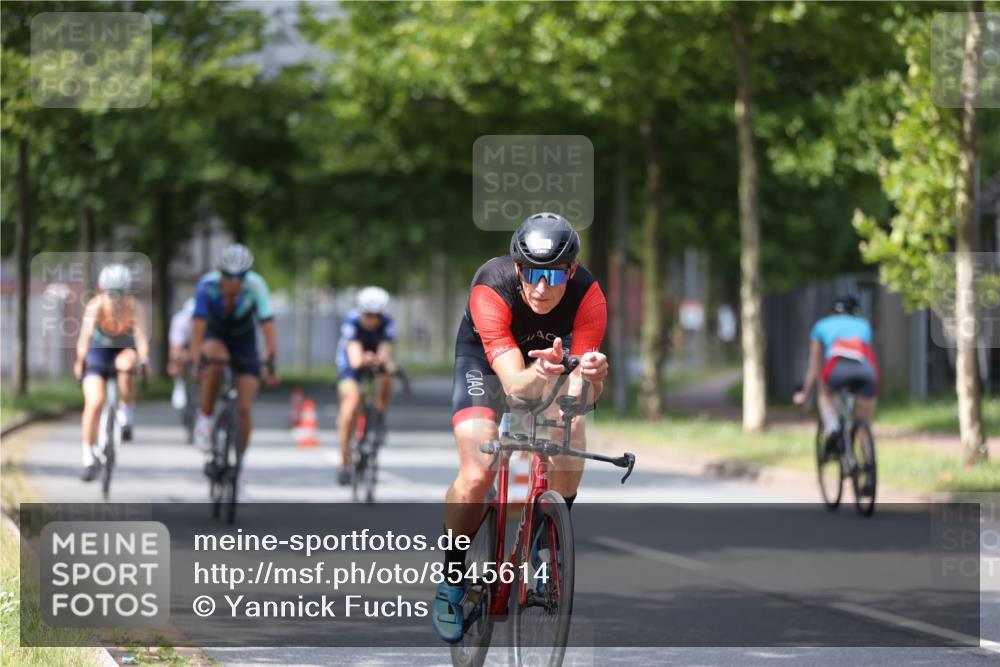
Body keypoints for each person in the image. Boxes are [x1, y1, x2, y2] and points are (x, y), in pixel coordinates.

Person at [431, 212, 609, 643]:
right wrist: (542, 370)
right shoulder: (490, 288)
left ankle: (548, 544)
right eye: (532, 273)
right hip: (487, 366)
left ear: (571, 270)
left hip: (550, 363)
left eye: (553, 274)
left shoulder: (589, 298)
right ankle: (453, 573)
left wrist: (594, 379)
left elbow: (581, 396)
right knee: (476, 474)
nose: (542, 287)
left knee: (573, 426)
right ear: (517, 268)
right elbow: (514, 387)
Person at [189, 244, 279, 474]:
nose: (235, 282)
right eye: (229, 276)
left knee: (244, 409)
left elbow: (268, 327)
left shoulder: (256, 286)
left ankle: (240, 464)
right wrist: (196, 359)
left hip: (243, 339)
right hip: (215, 335)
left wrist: (270, 360)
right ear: (220, 273)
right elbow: (198, 327)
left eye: (240, 277)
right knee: (217, 359)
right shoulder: (207, 286)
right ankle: (206, 418)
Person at [73, 263, 150, 482]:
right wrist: (80, 360)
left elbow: (142, 337)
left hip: (123, 350)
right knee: (95, 402)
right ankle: (89, 456)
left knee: (127, 365)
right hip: (98, 352)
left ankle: (125, 413)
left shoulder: (134, 307)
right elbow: (85, 337)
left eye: (121, 292)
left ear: (127, 291)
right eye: (111, 292)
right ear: (102, 290)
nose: (116, 298)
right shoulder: (95, 306)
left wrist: (144, 358)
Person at [793, 295, 879, 445]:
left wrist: (805, 394)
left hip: (837, 365)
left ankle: (833, 431)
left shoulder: (821, 325)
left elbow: (815, 366)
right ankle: (868, 457)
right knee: (865, 422)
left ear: (833, 312)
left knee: (824, 393)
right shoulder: (864, 325)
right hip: (866, 369)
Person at [334, 286, 397, 486]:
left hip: (373, 359)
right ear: (361, 312)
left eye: (376, 316)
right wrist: (365, 358)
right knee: (350, 406)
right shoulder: (351, 322)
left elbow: (385, 350)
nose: (372, 320)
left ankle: (379, 416)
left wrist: (382, 361)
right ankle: (345, 464)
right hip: (351, 365)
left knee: (388, 376)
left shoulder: (388, 323)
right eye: (368, 315)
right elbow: (354, 359)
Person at [168, 297, 195, 409]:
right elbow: (175, 347)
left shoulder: (208, 321)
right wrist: (174, 362)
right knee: (179, 357)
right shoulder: (179, 320)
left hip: (201, 342)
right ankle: (180, 382)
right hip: (185, 343)